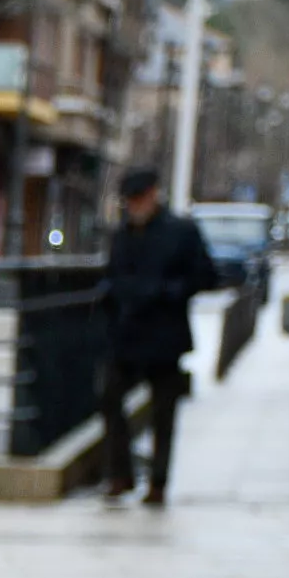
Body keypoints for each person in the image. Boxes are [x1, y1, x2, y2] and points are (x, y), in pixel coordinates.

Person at [100, 167, 221, 505]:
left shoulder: (181, 231)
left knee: (163, 413)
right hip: (126, 334)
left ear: (153, 195)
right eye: (130, 200)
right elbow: (113, 275)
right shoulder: (123, 234)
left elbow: (206, 276)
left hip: (164, 335)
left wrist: (168, 292)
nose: (134, 205)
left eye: (139, 198)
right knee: (110, 397)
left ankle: (158, 481)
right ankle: (120, 474)